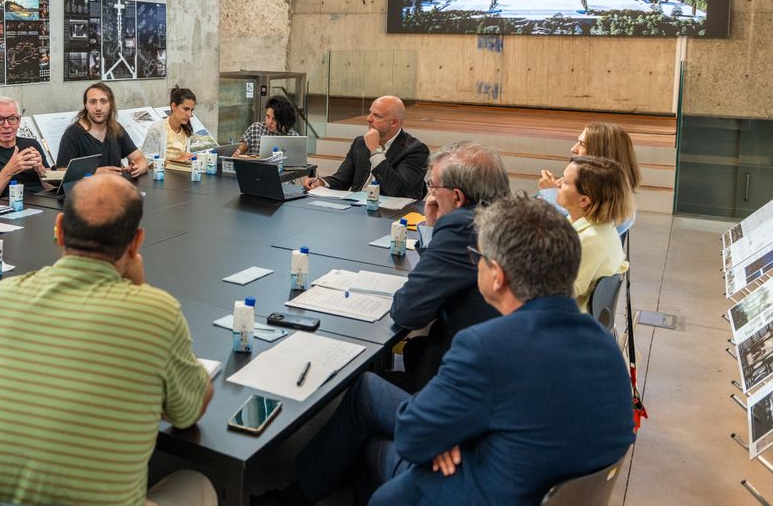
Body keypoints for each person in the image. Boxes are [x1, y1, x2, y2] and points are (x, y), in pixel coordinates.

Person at [264, 195, 634, 505]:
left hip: (480, 491)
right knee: (370, 395)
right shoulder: (603, 343)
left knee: (375, 448)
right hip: (549, 484)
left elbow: (412, 437)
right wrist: (450, 432)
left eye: (478, 257)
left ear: (497, 275)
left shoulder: (487, 347)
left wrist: (444, 435)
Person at [0, 173, 215, 506]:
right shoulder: (154, 312)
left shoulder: (2, 296)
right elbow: (190, 410)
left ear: (58, 228)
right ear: (136, 242)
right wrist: (139, 292)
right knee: (198, 484)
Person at [388, 142, 511, 390]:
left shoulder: (463, 227)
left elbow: (408, 310)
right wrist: (432, 229)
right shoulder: (504, 217)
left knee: (362, 393)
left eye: (433, 186)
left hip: (465, 375)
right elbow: (442, 277)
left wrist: (439, 232)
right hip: (503, 361)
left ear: (457, 196)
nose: (430, 193)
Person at [302, 95, 428, 200]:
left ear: (394, 122)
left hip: (392, 215)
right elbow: (342, 180)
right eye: (370, 113)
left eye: (377, 116)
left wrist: (375, 151)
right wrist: (321, 182)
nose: (368, 118)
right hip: (357, 209)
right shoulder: (360, 143)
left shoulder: (416, 150)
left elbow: (395, 188)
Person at [554, 155, 632, 312]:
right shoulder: (603, 228)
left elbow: (559, 293)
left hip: (568, 324)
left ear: (584, 200)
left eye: (565, 182)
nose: (558, 183)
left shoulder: (589, 240)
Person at [538, 122, 640, 234]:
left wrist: (551, 194)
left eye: (582, 144)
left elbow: (571, 232)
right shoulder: (585, 187)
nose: (573, 149)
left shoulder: (620, 213)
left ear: (601, 154)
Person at [56, 81, 148, 177]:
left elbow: (141, 160)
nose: (98, 107)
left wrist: (137, 168)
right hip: (86, 190)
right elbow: (61, 172)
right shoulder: (72, 134)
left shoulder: (116, 129)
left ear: (110, 104)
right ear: (85, 105)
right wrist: (94, 172)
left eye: (103, 101)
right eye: (93, 102)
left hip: (115, 188)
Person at [141, 85, 216, 166]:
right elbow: (147, 163)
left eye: (192, 110)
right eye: (186, 109)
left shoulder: (186, 129)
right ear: (174, 106)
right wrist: (177, 161)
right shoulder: (157, 129)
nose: (190, 114)